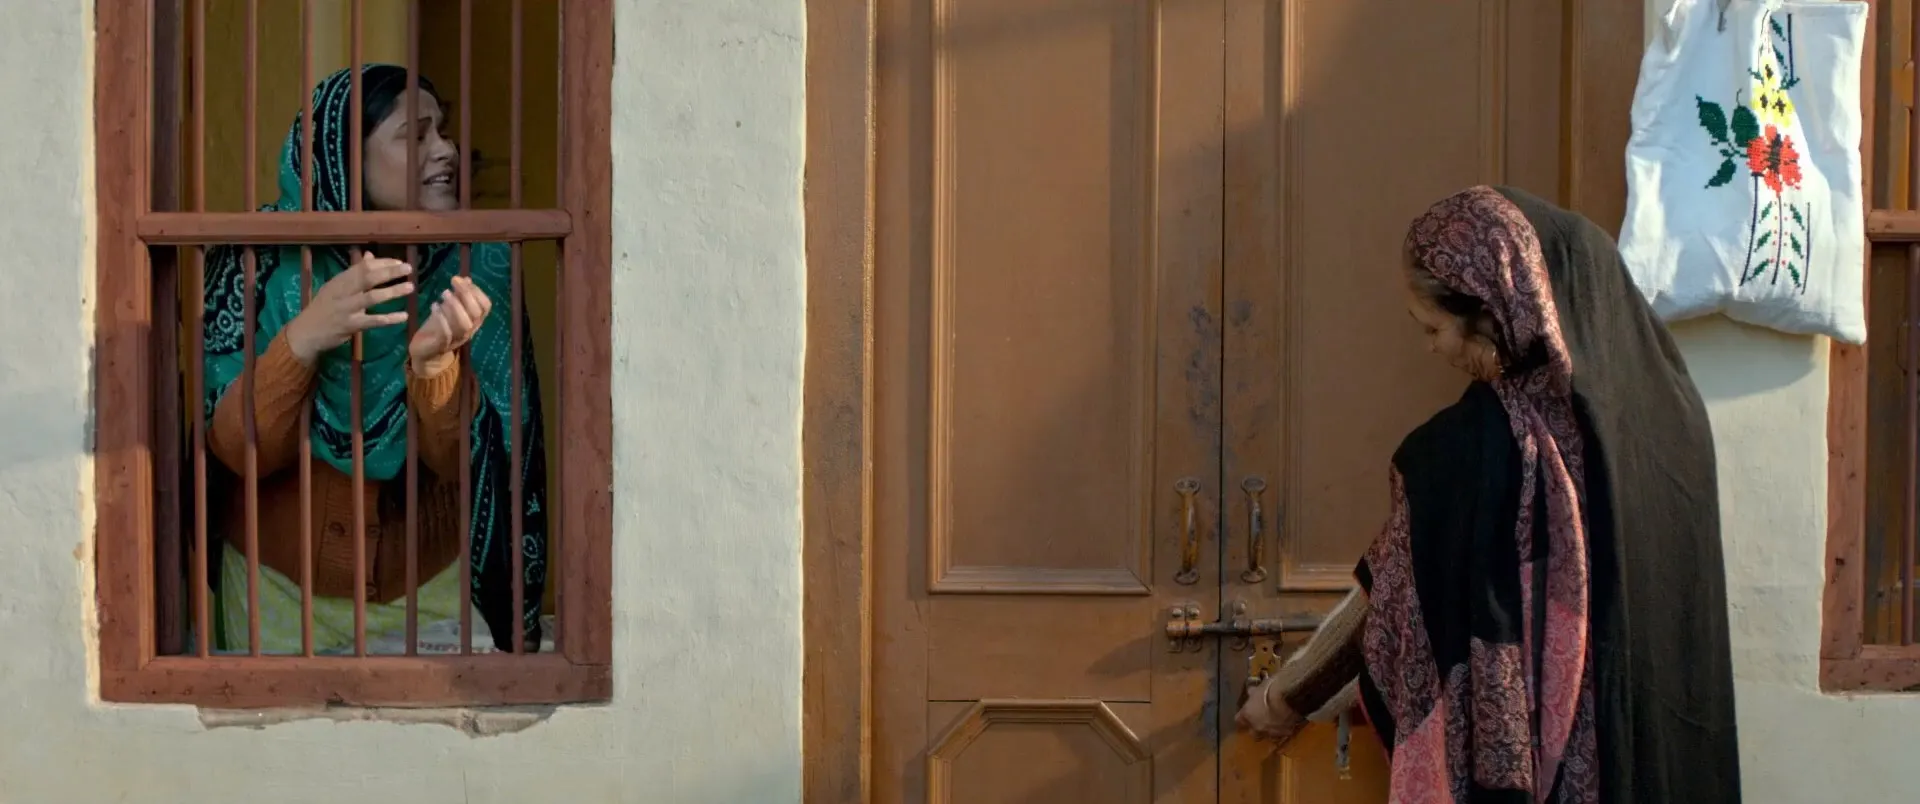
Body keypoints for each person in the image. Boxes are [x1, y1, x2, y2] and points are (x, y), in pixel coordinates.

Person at [1235, 186, 1741, 803]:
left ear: (1494, 307)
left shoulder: (1477, 446)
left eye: (1434, 327)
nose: (1432, 348)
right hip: (1658, 767)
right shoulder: (1670, 421)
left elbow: (1393, 605)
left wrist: (1284, 699)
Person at [200, 64, 548, 655]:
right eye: (415, 135)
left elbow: (470, 461)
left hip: (430, 587)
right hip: (276, 593)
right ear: (344, 157)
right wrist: (305, 337)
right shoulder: (258, 258)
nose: (446, 150)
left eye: (442, 130)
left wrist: (434, 369)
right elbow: (239, 450)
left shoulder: (476, 263)